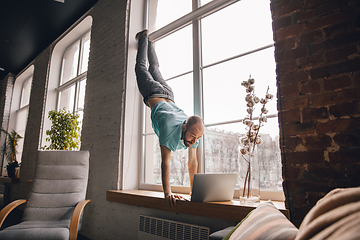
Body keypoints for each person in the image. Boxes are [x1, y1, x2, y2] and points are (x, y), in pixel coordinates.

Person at [135, 29, 205, 207]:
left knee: (155, 68)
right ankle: (143, 38)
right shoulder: (168, 132)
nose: (194, 140)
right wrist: (168, 193)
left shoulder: (194, 134)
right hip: (154, 92)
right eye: (192, 136)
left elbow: (192, 163)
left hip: (168, 95)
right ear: (183, 127)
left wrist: (193, 192)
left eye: (197, 138)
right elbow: (165, 163)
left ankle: (150, 43)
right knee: (141, 68)